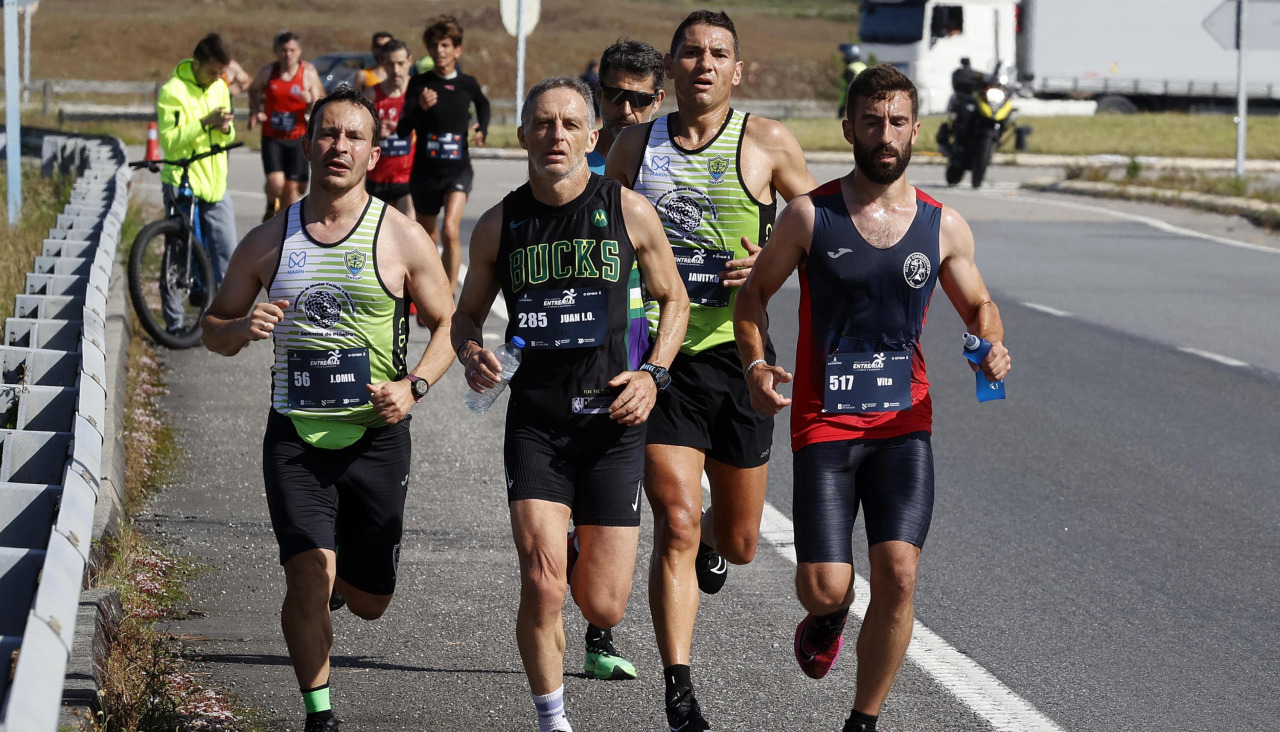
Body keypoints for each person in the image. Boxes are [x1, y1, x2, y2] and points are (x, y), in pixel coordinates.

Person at [732, 65, 1012, 732]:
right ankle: (827, 618)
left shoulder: (944, 227)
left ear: (916, 130)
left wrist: (991, 344)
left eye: (896, 122)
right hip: (825, 425)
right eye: (871, 121)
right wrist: (755, 365)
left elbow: (980, 305)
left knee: (899, 574)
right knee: (826, 585)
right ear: (849, 127)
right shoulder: (810, 215)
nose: (884, 134)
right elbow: (752, 298)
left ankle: (864, 720)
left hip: (902, 424)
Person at [200, 85, 456, 732]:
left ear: (374, 154)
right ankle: (321, 715)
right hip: (295, 437)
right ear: (308, 143)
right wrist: (241, 329)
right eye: (327, 134)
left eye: (353, 137)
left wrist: (415, 387)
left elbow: (453, 324)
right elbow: (213, 329)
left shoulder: (403, 238)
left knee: (370, 603)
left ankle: (347, 585)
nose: (338, 146)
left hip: (376, 437)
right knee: (306, 575)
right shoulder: (267, 241)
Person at [452, 77, 688, 732]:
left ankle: (579, 548)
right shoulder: (501, 223)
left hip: (612, 426)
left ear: (592, 136)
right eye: (543, 123)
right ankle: (552, 721)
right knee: (542, 584)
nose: (556, 135)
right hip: (538, 426)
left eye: (569, 124)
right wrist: (472, 354)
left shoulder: (628, 210)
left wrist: (654, 375)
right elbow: (465, 316)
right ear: (524, 135)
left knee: (605, 607)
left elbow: (676, 300)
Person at [605, 11, 816, 731]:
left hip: (741, 355)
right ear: (670, 66)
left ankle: (720, 555)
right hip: (661, 356)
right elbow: (602, 235)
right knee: (677, 519)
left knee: (739, 540)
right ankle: (679, 687)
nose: (703, 63)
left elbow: (820, 236)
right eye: (690, 52)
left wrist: (771, 263)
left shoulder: (767, 142)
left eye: (717, 53)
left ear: (737, 70)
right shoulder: (635, 145)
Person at [551, 38, 669, 682]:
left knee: (670, 490)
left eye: (638, 99)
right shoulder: (572, 152)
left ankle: (703, 538)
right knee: (600, 483)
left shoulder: (668, 152)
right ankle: (599, 634)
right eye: (612, 94)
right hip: (601, 351)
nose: (623, 109)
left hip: (673, 342)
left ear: (659, 99)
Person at [397, 15, 490, 297]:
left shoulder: (467, 84)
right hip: (425, 173)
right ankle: (434, 288)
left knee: (450, 228)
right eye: (435, 45)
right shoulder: (420, 84)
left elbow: (483, 106)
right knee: (429, 237)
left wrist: (481, 128)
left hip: (458, 171)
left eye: (446, 45)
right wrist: (419, 108)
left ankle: (449, 296)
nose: (440, 50)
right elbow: (402, 129)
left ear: (457, 50)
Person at [156, 32, 239, 332]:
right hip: (182, 181)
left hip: (215, 183)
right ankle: (175, 323)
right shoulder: (172, 91)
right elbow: (169, 141)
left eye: (221, 73)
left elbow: (227, 134)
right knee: (178, 256)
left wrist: (225, 127)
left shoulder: (220, 87)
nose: (216, 78)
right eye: (211, 71)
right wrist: (204, 122)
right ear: (196, 62)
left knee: (227, 252)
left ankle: (226, 318)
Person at [249, 31, 326, 221]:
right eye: (284, 50)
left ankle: (282, 220)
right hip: (272, 137)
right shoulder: (268, 72)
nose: (288, 54)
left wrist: (310, 101)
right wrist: (255, 111)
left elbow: (320, 102)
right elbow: (252, 89)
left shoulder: (307, 73)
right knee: (276, 182)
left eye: (292, 50)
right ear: (277, 51)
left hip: (298, 138)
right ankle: (271, 209)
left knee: (295, 188)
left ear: (299, 51)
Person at [586, 39, 665, 176]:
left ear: (657, 101)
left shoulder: (670, 164)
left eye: (639, 99)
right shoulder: (573, 162)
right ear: (598, 93)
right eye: (615, 96)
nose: (626, 110)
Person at [363, 39, 416, 216]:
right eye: (390, 64)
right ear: (381, 64)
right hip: (377, 178)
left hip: (408, 180)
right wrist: (376, 132)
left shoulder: (418, 93)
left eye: (400, 63)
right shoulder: (371, 95)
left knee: (409, 235)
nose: (395, 70)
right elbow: (356, 134)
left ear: (410, 60)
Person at [837, 43, 868, 117]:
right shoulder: (864, 66)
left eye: (845, 55)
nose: (843, 57)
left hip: (850, 105)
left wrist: (846, 107)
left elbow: (849, 88)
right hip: (864, 104)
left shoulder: (850, 69)